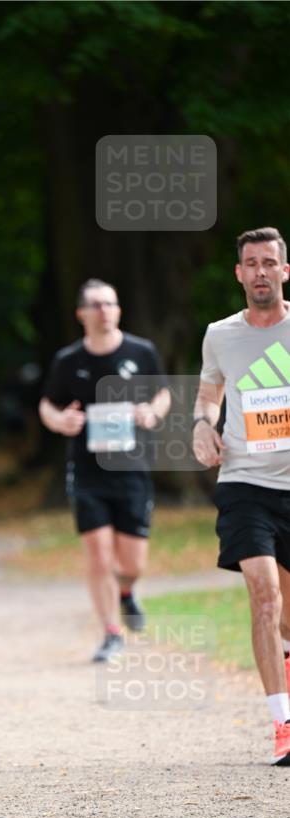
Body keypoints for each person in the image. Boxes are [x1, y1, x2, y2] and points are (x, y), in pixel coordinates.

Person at [193, 226, 290, 766]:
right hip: (245, 484)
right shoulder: (220, 334)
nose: (259, 272)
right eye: (250, 263)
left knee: (289, 617)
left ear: (284, 271)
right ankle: (283, 723)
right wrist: (202, 426)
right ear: (239, 273)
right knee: (264, 594)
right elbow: (209, 394)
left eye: (268, 262)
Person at [39, 279, 171, 662]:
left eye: (110, 304)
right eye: (96, 305)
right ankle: (111, 632)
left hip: (132, 471)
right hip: (86, 472)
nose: (104, 311)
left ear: (119, 310)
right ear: (81, 314)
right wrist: (59, 420)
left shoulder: (140, 352)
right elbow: (47, 405)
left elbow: (162, 394)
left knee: (132, 563)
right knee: (98, 555)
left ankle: (127, 591)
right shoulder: (68, 361)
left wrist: (152, 412)